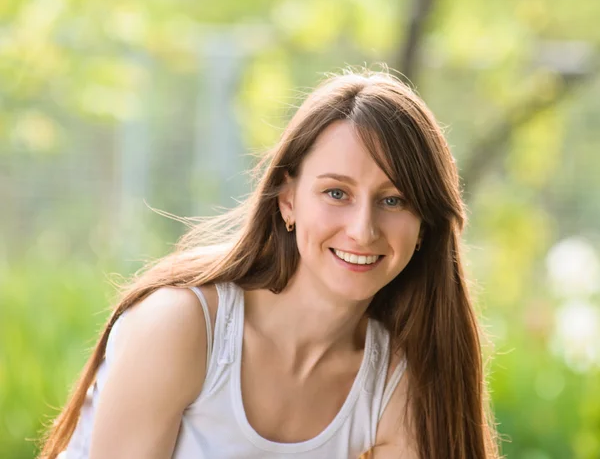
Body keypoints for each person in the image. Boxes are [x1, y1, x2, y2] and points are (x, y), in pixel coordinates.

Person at [39, 69, 500, 459]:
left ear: (425, 224)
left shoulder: (397, 378)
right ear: (287, 201)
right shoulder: (181, 326)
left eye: (393, 199)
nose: (363, 230)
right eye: (336, 193)